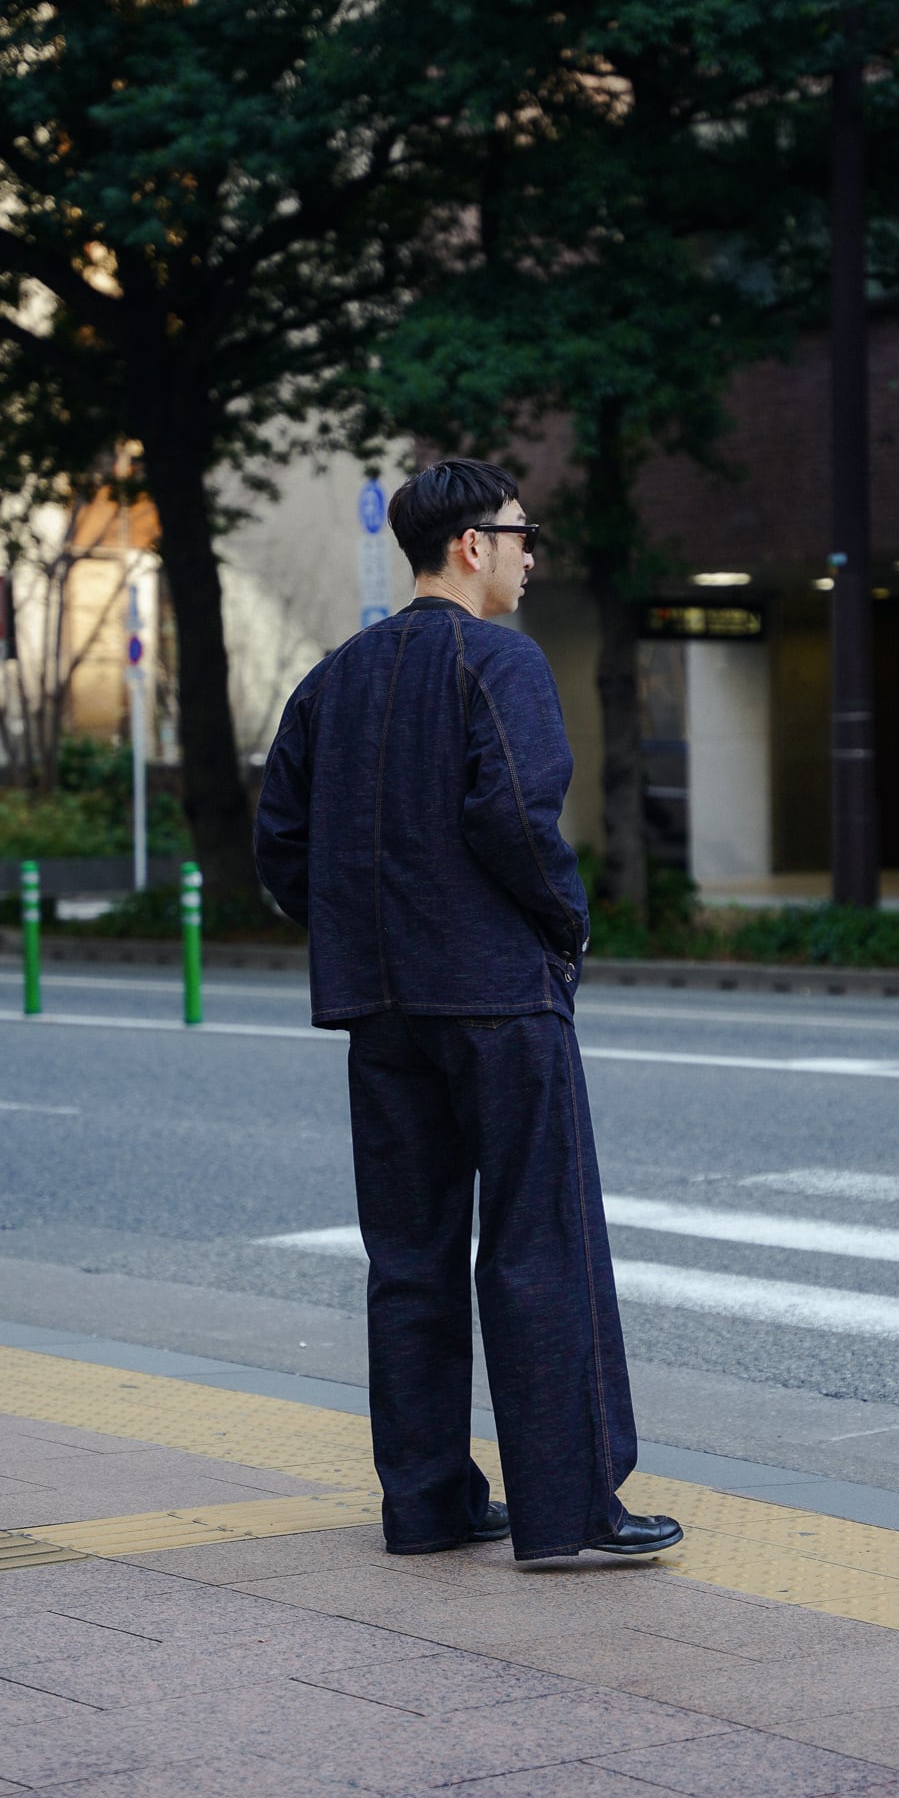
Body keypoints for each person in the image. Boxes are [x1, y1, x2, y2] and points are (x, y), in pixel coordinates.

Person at [254, 458, 681, 1564]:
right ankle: (568, 1508)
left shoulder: (334, 678)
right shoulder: (500, 661)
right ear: (472, 545)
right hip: (496, 995)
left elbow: (281, 842)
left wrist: (357, 926)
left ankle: (429, 1502)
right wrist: (564, 926)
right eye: (522, 534)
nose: (532, 556)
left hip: (379, 1006)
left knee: (410, 1256)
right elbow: (517, 818)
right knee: (542, 1242)